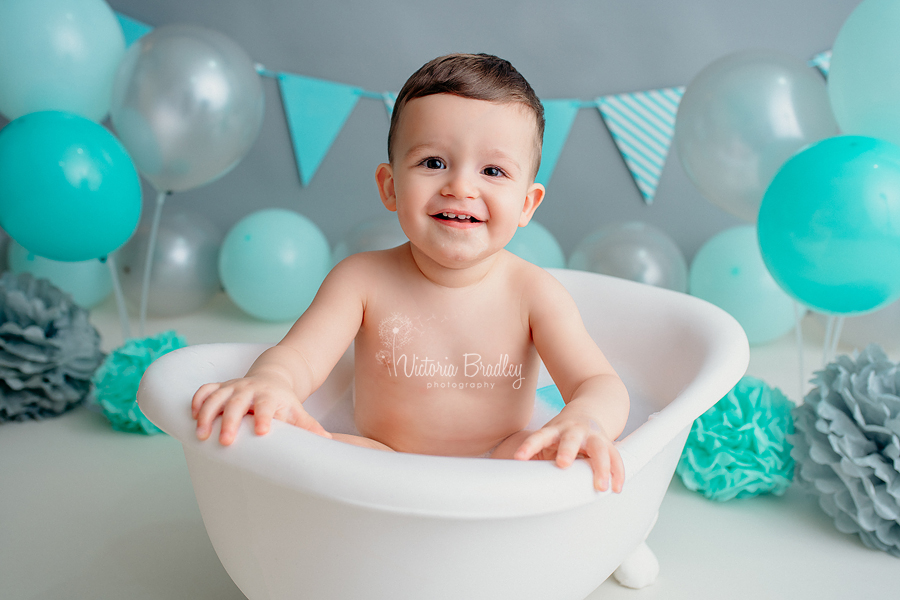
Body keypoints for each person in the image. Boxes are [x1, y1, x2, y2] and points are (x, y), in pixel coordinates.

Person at [192, 53, 630, 493]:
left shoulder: (534, 294)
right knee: (305, 455)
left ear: (526, 205)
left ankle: (600, 535)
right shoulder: (360, 280)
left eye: (492, 171)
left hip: (500, 463)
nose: (460, 187)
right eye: (433, 163)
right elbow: (299, 357)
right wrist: (271, 383)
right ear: (390, 186)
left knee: (559, 466)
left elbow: (598, 383)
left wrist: (583, 418)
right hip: (382, 457)